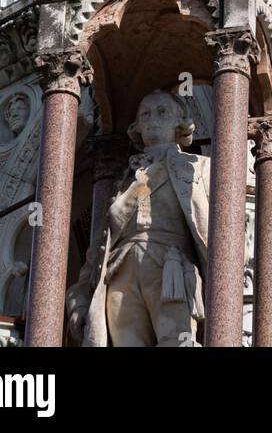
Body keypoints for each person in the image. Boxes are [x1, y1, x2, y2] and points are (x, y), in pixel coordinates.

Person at [67, 91, 209, 347]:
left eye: (162, 112)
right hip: (121, 269)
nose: (153, 119)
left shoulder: (199, 167)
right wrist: (81, 295)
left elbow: (220, 223)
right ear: (137, 127)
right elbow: (100, 243)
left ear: (181, 121)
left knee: (176, 342)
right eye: (145, 114)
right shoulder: (123, 179)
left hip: (171, 267)